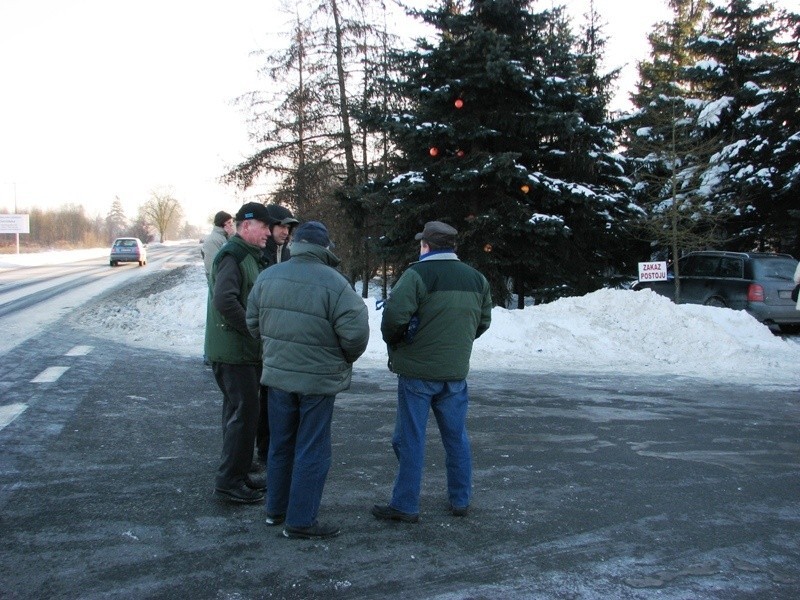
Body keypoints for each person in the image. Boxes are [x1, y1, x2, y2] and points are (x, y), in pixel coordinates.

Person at [246, 221, 370, 539]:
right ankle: (301, 520)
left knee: (280, 444)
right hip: (317, 381)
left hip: (278, 378)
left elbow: (253, 322)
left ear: (297, 244)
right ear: (325, 247)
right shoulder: (337, 284)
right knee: (312, 448)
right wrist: (342, 358)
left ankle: (276, 510)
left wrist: (273, 349)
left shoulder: (268, 276)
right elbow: (355, 334)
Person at [372, 220, 492, 523]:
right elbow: (483, 321)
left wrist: (399, 343)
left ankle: (406, 504)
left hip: (417, 372)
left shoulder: (416, 275)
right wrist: (455, 343)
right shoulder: (477, 279)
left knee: (409, 439)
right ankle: (460, 499)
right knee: (456, 438)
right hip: (454, 373)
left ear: (426, 245)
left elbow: (393, 319)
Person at [205, 202, 276, 504]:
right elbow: (224, 300)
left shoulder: (249, 256)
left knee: (241, 412)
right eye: (264, 227)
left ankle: (239, 473)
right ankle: (229, 482)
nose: (269, 233)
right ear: (246, 226)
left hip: (242, 353)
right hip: (233, 353)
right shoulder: (232, 256)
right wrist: (253, 329)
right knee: (245, 413)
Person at [251, 204, 300, 473]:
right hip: (264, 339)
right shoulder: (261, 255)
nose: (286, 231)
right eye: (281, 226)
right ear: (268, 227)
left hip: (281, 340)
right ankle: (262, 451)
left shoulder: (289, 254)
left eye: (289, 227)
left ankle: (272, 450)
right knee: (260, 401)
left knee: (275, 399)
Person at [201, 211, 234, 282]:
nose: (231, 225)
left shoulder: (225, 236)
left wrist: (231, 235)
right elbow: (212, 265)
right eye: (228, 222)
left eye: (231, 222)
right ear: (221, 223)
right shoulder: (213, 240)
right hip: (217, 279)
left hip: (224, 277)